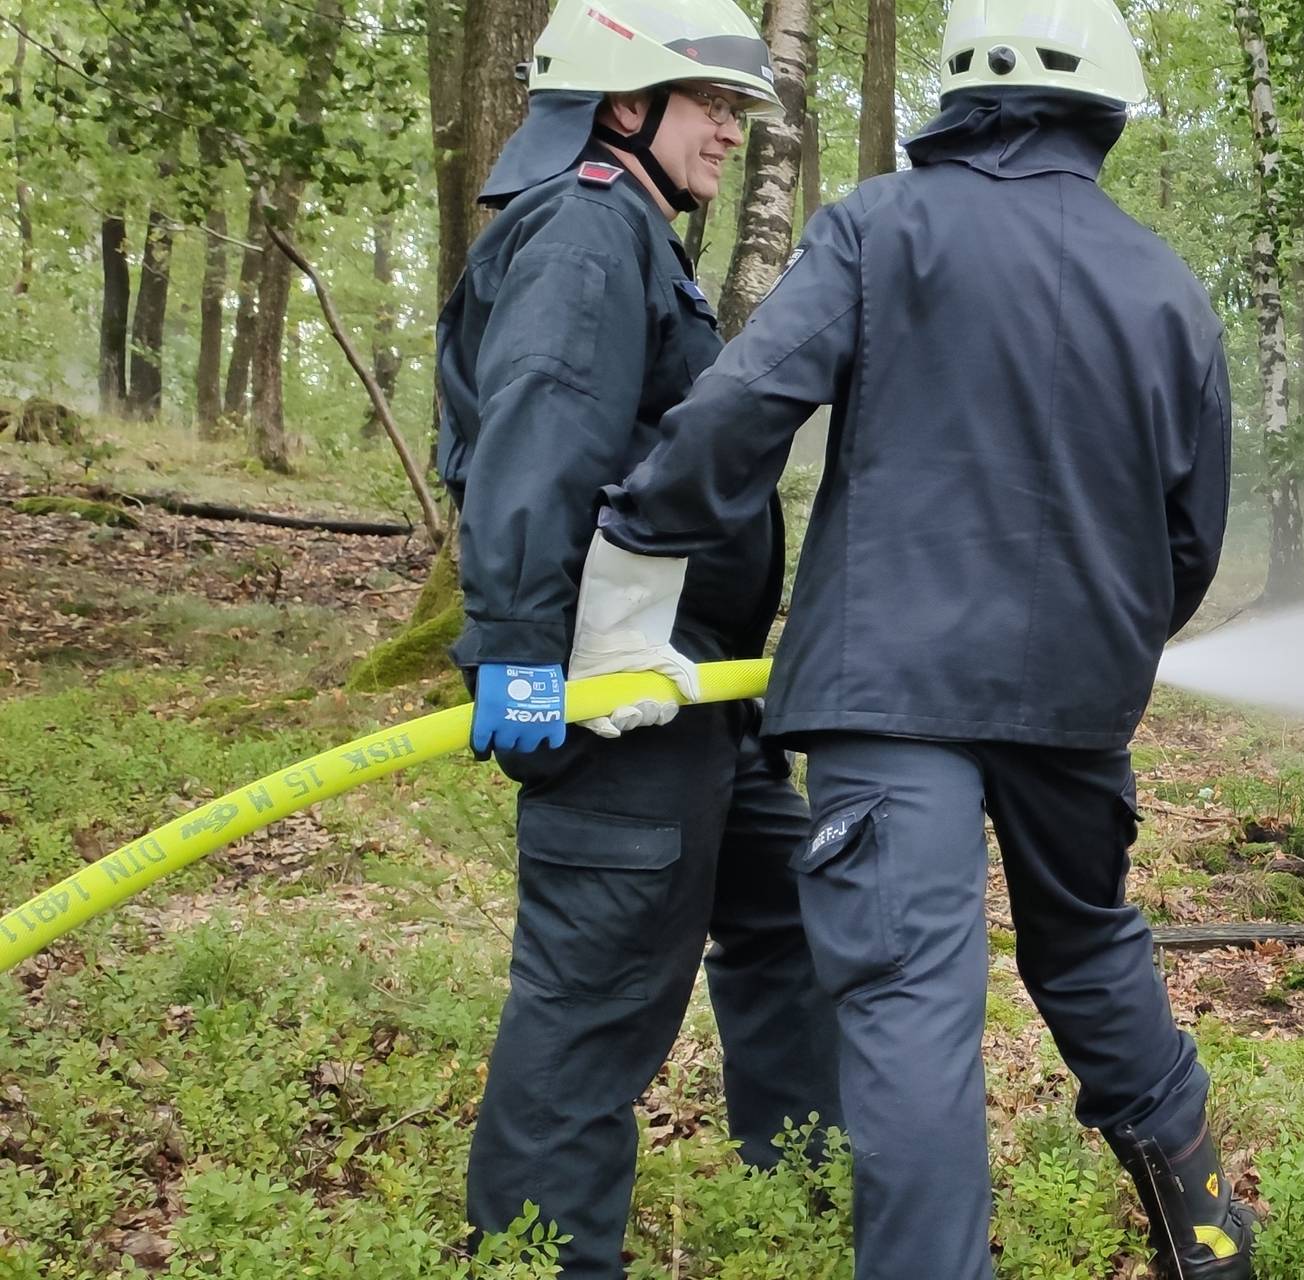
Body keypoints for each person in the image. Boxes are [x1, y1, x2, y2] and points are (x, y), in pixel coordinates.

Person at [573, 0, 1248, 1272]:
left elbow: (743, 407)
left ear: (961, 91)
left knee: (906, 1002)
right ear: (1105, 106)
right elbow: (1191, 537)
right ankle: (1208, 1230)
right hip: (1077, 701)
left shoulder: (882, 227)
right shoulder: (1165, 283)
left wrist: (636, 547)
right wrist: (1109, 645)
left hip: (887, 701)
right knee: (1092, 944)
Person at [432, 1, 840, 1272]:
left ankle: (806, 1197)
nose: (731, 126)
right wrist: (514, 644)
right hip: (614, 702)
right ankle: (539, 1256)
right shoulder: (588, 231)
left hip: (696, 693)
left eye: (735, 108)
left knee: (793, 923)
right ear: (623, 106)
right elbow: (540, 429)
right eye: (709, 102)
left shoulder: (629, 231)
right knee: (595, 997)